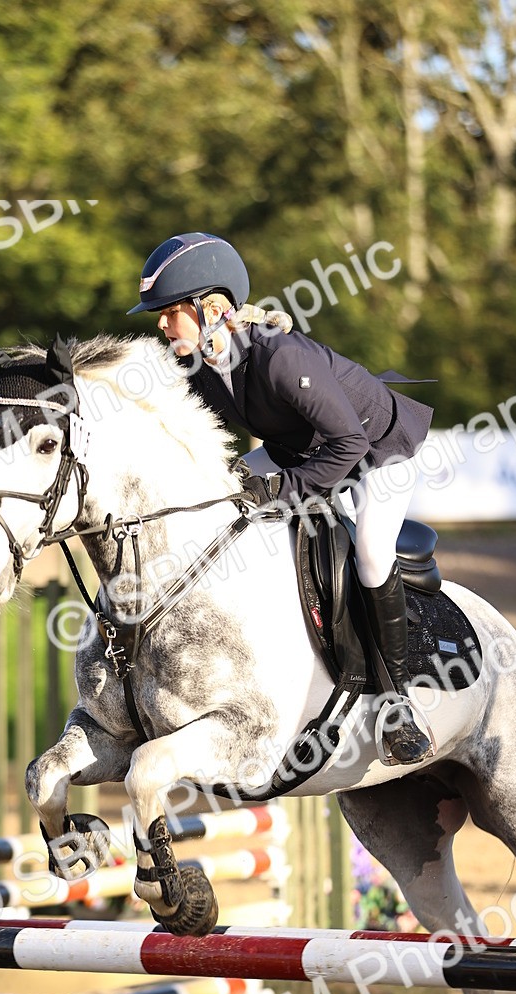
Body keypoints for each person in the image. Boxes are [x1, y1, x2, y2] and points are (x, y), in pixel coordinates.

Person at [128, 231, 433, 766]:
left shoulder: (281, 358)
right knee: (219, 494)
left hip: (376, 451)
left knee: (369, 552)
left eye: (169, 311)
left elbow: (349, 444)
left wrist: (281, 491)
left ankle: (397, 704)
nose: (160, 323)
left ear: (211, 308)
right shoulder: (202, 364)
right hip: (298, 448)